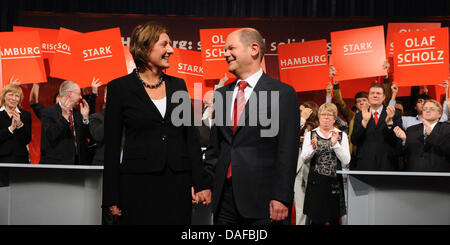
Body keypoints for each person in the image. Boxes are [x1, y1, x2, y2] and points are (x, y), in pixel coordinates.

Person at [102, 21, 209, 225]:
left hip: (177, 183)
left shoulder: (178, 85)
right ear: (145, 48)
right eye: (164, 44)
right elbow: (112, 147)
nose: (171, 50)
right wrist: (111, 196)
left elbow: (190, 139)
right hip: (137, 185)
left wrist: (200, 183)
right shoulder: (119, 88)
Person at [202, 28, 300, 225]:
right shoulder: (222, 95)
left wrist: (281, 196)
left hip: (263, 201)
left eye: (231, 48)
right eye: (224, 49)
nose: (225, 54)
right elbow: (216, 149)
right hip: (224, 201)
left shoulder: (283, 93)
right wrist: (205, 184)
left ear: (254, 49)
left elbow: (287, 151)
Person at [301, 102, 350, 225]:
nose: (326, 117)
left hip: (334, 184)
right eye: (323, 115)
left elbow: (346, 160)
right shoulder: (311, 134)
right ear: (319, 117)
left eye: (329, 115)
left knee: (334, 219)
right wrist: (313, 148)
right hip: (316, 182)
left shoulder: (341, 135)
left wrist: (335, 144)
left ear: (334, 119)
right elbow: (304, 159)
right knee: (315, 219)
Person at [351, 83, 403, 171]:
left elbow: (397, 141)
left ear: (384, 97)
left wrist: (389, 123)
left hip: (387, 164)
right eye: (372, 93)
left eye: (378, 93)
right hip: (365, 164)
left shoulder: (394, 114)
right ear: (368, 97)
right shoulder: (360, 116)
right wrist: (364, 123)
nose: (375, 95)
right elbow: (354, 140)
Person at [39, 81, 90, 164]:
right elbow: (51, 135)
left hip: (78, 163)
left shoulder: (78, 113)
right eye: (78, 94)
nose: (81, 97)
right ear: (70, 94)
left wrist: (85, 118)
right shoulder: (48, 112)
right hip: (57, 164)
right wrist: (65, 117)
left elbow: (87, 136)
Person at [393, 99, 450, 172]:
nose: (427, 111)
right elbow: (402, 153)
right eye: (425, 109)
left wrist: (432, 134)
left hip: (439, 175)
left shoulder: (447, 129)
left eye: (432, 109)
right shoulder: (411, 129)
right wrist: (404, 140)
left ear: (440, 114)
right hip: (415, 175)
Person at [293, 101, 319, 225]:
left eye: (303, 111)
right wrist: (302, 119)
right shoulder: (298, 124)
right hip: (297, 169)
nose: (300, 113)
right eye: (299, 111)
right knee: (300, 207)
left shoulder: (317, 127)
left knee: (314, 207)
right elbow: (290, 135)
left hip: (313, 169)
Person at [0, 84, 32, 163]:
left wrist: (20, 125)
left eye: (17, 96)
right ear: (4, 96)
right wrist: (10, 129)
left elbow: (27, 139)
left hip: (20, 160)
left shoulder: (25, 115)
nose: (13, 99)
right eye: (11, 95)